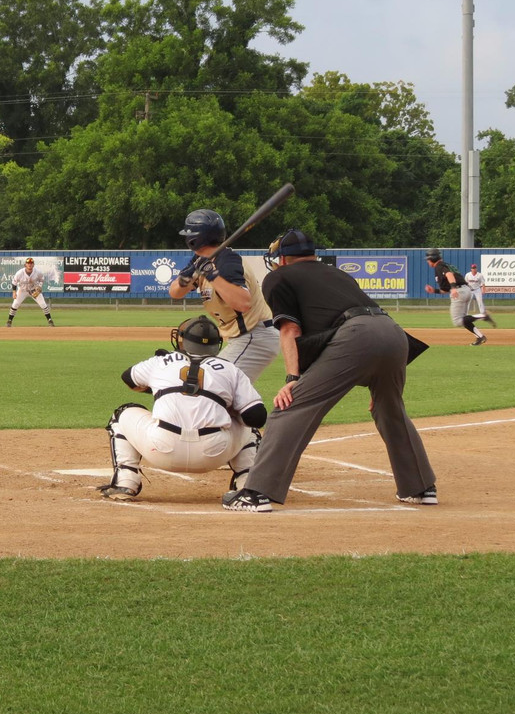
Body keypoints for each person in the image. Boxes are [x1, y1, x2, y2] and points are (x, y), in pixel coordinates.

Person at [223, 228, 437, 513]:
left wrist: (292, 380)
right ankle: (421, 488)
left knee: (290, 408)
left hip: (357, 336)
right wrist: (383, 386)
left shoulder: (278, 277)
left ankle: (256, 493)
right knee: (390, 410)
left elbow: (290, 329)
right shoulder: (338, 274)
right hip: (395, 334)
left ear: (282, 259)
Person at [97, 315, 267, 501]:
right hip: (214, 453)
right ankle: (246, 483)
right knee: (247, 425)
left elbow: (128, 378)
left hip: (161, 449)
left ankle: (125, 481)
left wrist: (166, 389)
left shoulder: (162, 361)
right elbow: (257, 417)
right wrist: (225, 405)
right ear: (216, 345)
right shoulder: (230, 369)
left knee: (121, 414)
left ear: (182, 341)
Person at [169, 209, 280, 382]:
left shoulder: (227, 262)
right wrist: (186, 278)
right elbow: (175, 293)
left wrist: (212, 275)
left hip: (255, 336)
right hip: (244, 338)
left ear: (194, 239)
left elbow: (243, 303)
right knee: (219, 391)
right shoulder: (200, 260)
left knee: (212, 384)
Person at [424, 248, 494, 345]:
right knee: (464, 320)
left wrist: (453, 288)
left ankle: (483, 315)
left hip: (459, 291)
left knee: (457, 321)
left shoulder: (439, 266)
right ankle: (480, 337)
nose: (427, 261)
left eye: (428, 259)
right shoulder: (446, 265)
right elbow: (445, 289)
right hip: (466, 290)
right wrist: (434, 291)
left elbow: (449, 275)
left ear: (432, 258)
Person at [6, 257, 54, 327]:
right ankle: (9, 321)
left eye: (31, 263)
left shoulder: (37, 272)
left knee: (43, 304)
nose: (30, 265)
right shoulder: (20, 273)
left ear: (33, 265)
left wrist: (39, 287)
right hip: (22, 290)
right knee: (15, 304)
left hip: (34, 290)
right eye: (28, 263)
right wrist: (14, 292)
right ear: (25, 264)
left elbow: (42, 279)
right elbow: (14, 282)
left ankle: (50, 320)